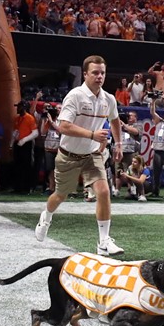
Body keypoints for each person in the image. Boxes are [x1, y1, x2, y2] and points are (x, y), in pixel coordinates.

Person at [33, 55, 125, 256]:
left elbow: (116, 121)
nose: (100, 76)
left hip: (92, 155)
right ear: (85, 74)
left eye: (102, 73)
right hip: (68, 156)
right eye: (95, 72)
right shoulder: (75, 96)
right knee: (59, 196)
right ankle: (46, 217)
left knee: (103, 191)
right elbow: (64, 126)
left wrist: (118, 144)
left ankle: (103, 242)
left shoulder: (108, 99)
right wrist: (92, 134)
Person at [11, 99, 38, 194]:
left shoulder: (30, 118)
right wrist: (11, 144)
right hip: (17, 144)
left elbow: (35, 133)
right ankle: (18, 187)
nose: (17, 108)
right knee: (17, 166)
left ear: (24, 107)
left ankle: (27, 188)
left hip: (26, 144)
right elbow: (15, 132)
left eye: (19, 106)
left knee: (26, 165)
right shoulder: (17, 118)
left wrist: (24, 140)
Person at [39, 105, 61, 194]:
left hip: (59, 149)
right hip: (48, 149)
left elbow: (60, 131)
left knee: (58, 170)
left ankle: (59, 188)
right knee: (50, 169)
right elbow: (43, 133)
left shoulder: (61, 121)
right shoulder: (47, 121)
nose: (56, 111)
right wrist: (45, 120)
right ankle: (51, 188)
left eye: (59, 109)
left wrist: (52, 122)